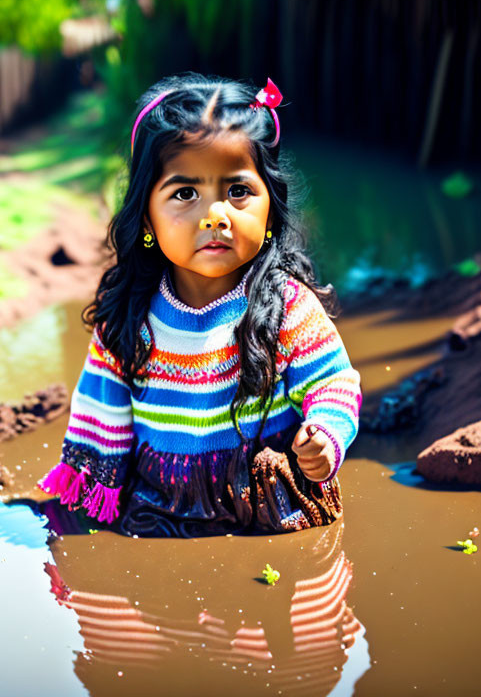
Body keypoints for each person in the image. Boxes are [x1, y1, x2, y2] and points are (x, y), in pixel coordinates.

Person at [39, 73, 361, 537]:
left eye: (237, 192)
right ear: (146, 214)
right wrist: (89, 496)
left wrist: (325, 436)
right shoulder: (127, 319)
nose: (215, 215)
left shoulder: (287, 307)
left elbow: (333, 384)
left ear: (271, 206)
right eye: (185, 193)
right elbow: (101, 424)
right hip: (160, 504)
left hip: (271, 502)